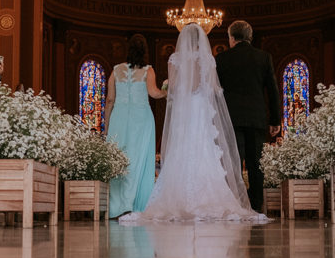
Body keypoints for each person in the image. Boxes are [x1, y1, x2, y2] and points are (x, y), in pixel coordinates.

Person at [120, 24, 268, 223]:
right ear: (201, 41)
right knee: (205, 148)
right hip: (201, 108)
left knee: (182, 148)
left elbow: (172, 87)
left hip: (184, 108)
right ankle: (210, 196)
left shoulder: (175, 59)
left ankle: (179, 198)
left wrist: (168, 85)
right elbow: (215, 88)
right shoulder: (207, 59)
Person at [214, 20, 281, 211]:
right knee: (256, 163)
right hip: (256, 118)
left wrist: (215, 118)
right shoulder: (264, 57)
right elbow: (273, 91)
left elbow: (216, 91)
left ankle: (235, 202)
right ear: (249, 37)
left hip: (231, 119)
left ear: (231, 38)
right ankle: (257, 204)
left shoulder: (222, 58)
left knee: (234, 161)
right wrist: (275, 119)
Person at [107, 34, 166, 219]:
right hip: (141, 119)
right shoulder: (148, 70)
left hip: (119, 116)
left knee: (118, 159)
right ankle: (131, 205)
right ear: (144, 51)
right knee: (137, 160)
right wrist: (167, 91)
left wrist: (107, 126)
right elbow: (154, 93)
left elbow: (109, 100)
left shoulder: (116, 70)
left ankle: (114, 208)